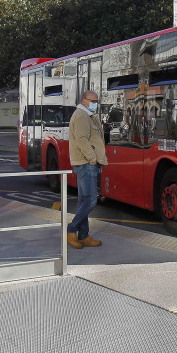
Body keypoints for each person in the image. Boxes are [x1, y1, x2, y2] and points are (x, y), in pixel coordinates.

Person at [67, 90, 107, 249]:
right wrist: (93, 159)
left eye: (97, 100)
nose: (95, 103)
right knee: (91, 200)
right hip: (85, 163)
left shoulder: (87, 116)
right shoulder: (82, 116)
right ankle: (71, 230)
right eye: (92, 100)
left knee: (84, 200)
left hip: (86, 162)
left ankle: (83, 235)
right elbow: (82, 140)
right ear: (84, 100)